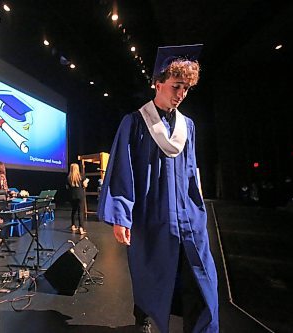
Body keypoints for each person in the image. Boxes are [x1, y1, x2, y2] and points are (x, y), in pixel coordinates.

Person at [97, 44, 218, 333]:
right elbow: (122, 170)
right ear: (158, 83)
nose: (181, 94)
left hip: (188, 216)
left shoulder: (187, 126)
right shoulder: (136, 123)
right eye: (176, 86)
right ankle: (146, 322)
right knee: (151, 272)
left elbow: (190, 174)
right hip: (152, 212)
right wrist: (121, 216)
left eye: (186, 89)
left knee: (199, 278)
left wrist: (198, 210)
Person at [67, 162, 89, 234]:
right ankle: (81, 228)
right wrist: (87, 181)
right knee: (80, 212)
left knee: (73, 211)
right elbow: (85, 185)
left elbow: (67, 187)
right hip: (80, 195)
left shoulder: (68, 178)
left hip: (72, 196)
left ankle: (73, 226)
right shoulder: (81, 176)